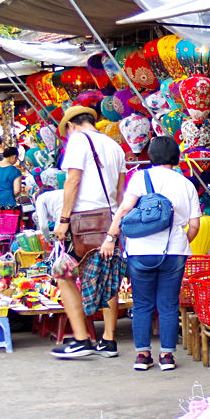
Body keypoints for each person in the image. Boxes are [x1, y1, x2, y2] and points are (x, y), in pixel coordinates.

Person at [102, 136, 201, 372]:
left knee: (143, 304)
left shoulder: (140, 178)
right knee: (168, 304)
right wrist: (179, 244)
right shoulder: (186, 183)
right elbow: (195, 224)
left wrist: (109, 238)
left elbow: (125, 210)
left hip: (140, 251)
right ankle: (166, 356)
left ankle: (143, 355)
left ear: (152, 155)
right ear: (175, 156)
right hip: (174, 252)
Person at [50, 105, 126, 359]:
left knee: (63, 274)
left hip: (84, 220)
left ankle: (82, 339)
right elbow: (119, 190)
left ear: (70, 126)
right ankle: (108, 340)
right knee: (108, 278)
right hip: (110, 219)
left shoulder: (77, 140)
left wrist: (63, 219)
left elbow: (73, 180)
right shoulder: (114, 145)